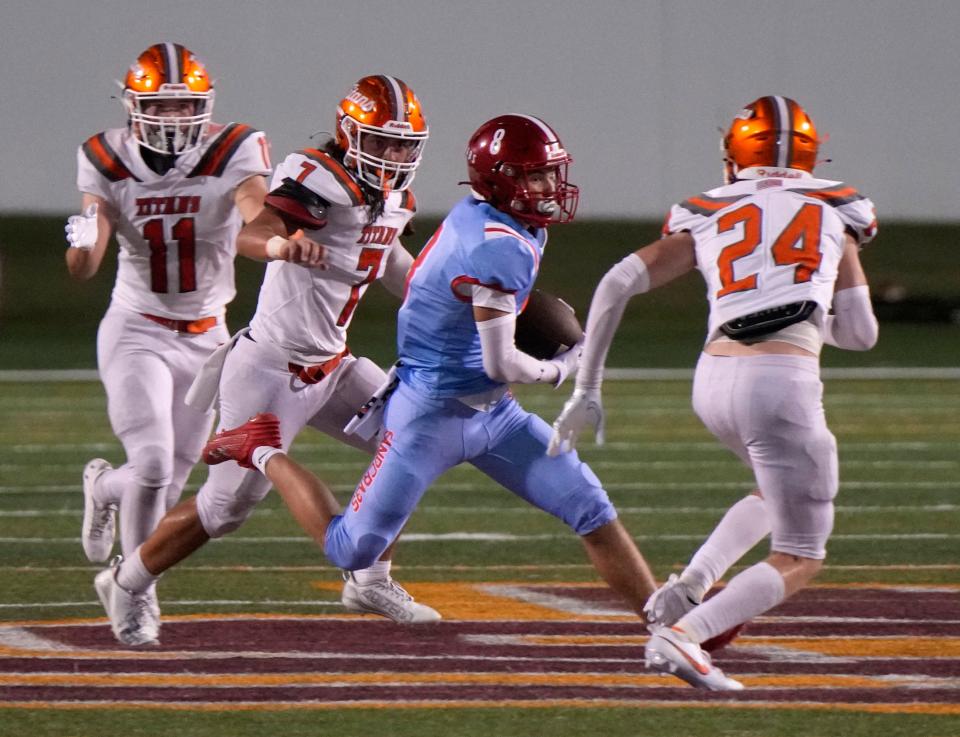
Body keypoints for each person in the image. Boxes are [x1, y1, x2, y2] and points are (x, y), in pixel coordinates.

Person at [197, 114, 658, 622]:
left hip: (494, 414)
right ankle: (261, 450)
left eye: (551, 172)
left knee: (590, 505)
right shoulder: (496, 245)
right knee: (348, 549)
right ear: (501, 178)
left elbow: (413, 276)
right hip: (429, 416)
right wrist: (562, 367)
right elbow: (501, 360)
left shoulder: (483, 217)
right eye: (535, 175)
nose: (551, 186)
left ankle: (667, 625)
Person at [93, 74, 440, 647]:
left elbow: (392, 258)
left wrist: (451, 300)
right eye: (380, 142)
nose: (393, 155)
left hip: (334, 364)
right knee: (225, 509)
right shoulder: (315, 178)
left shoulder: (396, 198)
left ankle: (370, 578)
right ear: (348, 134)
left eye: (403, 144)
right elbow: (254, 233)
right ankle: (127, 581)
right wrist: (281, 245)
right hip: (270, 366)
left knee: (415, 437)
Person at [548, 95, 878, 690]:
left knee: (769, 488)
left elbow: (619, 279)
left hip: (712, 380)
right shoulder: (836, 207)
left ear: (734, 158)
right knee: (802, 552)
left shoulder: (708, 209)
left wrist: (588, 385)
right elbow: (861, 334)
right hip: (781, 381)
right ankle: (684, 636)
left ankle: (690, 587)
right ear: (810, 156)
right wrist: (810, 299)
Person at [66, 42, 273, 638]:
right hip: (138, 329)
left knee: (170, 478)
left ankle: (104, 486)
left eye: (187, 106)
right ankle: (137, 593)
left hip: (209, 335)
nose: (176, 118)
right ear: (135, 105)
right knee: (153, 465)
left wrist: (270, 227)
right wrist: (84, 239)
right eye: (165, 105)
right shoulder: (104, 156)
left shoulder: (236, 147)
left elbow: (253, 204)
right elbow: (85, 264)